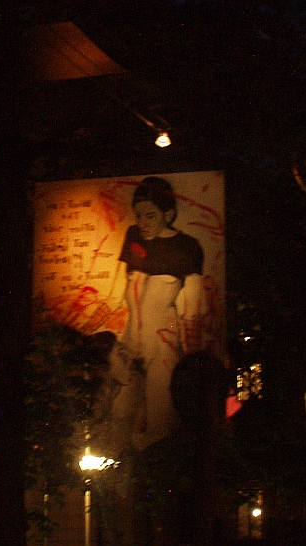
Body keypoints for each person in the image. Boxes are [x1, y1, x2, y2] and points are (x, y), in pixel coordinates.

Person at [105, 176, 207, 451]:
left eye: (150, 215)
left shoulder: (187, 247)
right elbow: (120, 290)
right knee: (118, 417)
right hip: (130, 343)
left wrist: (193, 361)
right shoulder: (133, 236)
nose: (143, 222)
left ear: (168, 214)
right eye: (138, 215)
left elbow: (192, 310)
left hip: (163, 345)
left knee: (161, 422)